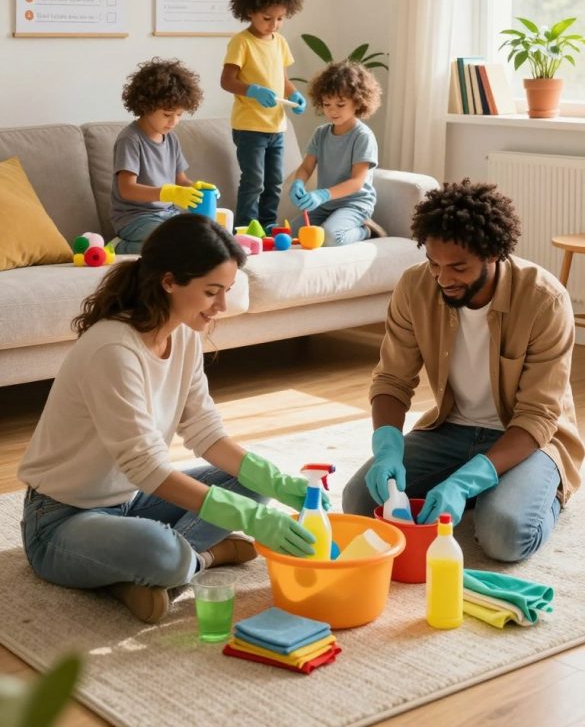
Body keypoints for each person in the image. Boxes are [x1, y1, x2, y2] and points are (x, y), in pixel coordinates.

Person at [19, 215, 316, 624]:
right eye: (212, 292)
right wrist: (245, 519)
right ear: (170, 281)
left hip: (131, 502)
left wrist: (275, 482)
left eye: (226, 291)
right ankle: (203, 557)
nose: (222, 307)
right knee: (166, 554)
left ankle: (136, 574)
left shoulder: (184, 335)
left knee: (247, 484)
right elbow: (145, 465)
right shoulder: (113, 350)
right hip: (62, 520)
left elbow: (203, 429)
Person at [342, 179, 584, 561]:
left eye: (458, 267)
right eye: (434, 263)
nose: (443, 278)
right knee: (358, 502)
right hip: (450, 429)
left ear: (493, 255)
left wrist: (465, 481)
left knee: (504, 536)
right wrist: (387, 448)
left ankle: (532, 492)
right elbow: (392, 378)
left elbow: (538, 417)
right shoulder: (415, 288)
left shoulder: (544, 300)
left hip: (526, 438)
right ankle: (478, 490)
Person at [220, 0, 306, 229]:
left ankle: (267, 225)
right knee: (253, 181)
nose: (274, 24)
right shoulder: (241, 42)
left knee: (274, 182)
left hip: (276, 127)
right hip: (249, 127)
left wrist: (295, 95)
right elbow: (227, 81)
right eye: (267, 18)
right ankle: (246, 227)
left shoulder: (279, 42)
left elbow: (280, 77)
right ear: (250, 11)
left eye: (280, 18)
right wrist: (253, 91)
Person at [111, 57, 216, 255]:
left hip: (167, 214)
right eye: (167, 115)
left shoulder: (171, 138)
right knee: (171, 243)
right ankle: (118, 247)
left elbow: (181, 180)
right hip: (135, 217)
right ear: (146, 106)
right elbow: (127, 189)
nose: (174, 121)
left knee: (202, 237)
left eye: (179, 114)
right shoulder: (130, 139)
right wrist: (167, 193)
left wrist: (196, 188)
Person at [288, 61, 384, 246]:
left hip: (354, 204)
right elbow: (307, 167)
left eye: (340, 104)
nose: (332, 110)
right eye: (326, 104)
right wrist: (298, 182)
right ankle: (334, 222)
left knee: (330, 238)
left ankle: (365, 230)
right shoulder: (321, 133)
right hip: (325, 205)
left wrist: (322, 194)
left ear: (358, 102)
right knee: (292, 233)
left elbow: (357, 183)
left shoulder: (363, 136)